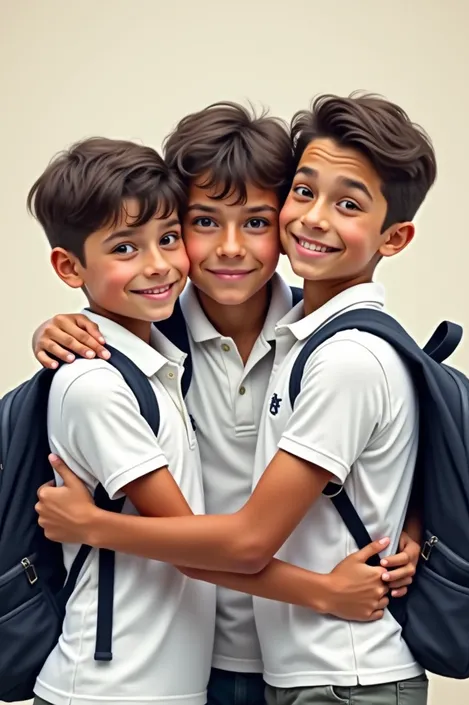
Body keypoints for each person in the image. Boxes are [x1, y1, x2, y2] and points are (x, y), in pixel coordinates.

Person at [33, 102, 421, 705]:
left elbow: (391, 447)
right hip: (189, 659)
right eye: (203, 222)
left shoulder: (321, 343)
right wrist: (61, 327)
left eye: (257, 222)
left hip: (299, 658)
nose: (231, 249)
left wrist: (410, 528)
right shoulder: (146, 344)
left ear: (284, 222)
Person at [28, 137, 216, 705]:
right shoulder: (96, 384)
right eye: (125, 249)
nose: (158, 264)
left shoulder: (154, 354)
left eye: (167, 238)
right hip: (109, 690)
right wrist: (327, 593)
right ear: (69, 266)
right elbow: (193, 548)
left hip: (156, 686)